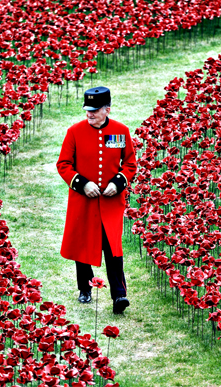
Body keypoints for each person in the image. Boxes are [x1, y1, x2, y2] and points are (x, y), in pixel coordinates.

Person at [56, 86, 137, 314]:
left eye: (94, 110)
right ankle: (85, 288)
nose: (89, 114)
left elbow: (130, 163)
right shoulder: (74, 132)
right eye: (87, 110)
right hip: (83, 201)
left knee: (113, 248)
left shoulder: (121, 132)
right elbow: (63, 165)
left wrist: (118, 182)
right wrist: (82, 183)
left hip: (111, 203)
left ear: (107, 109)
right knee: (83, 244)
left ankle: (119, 296)